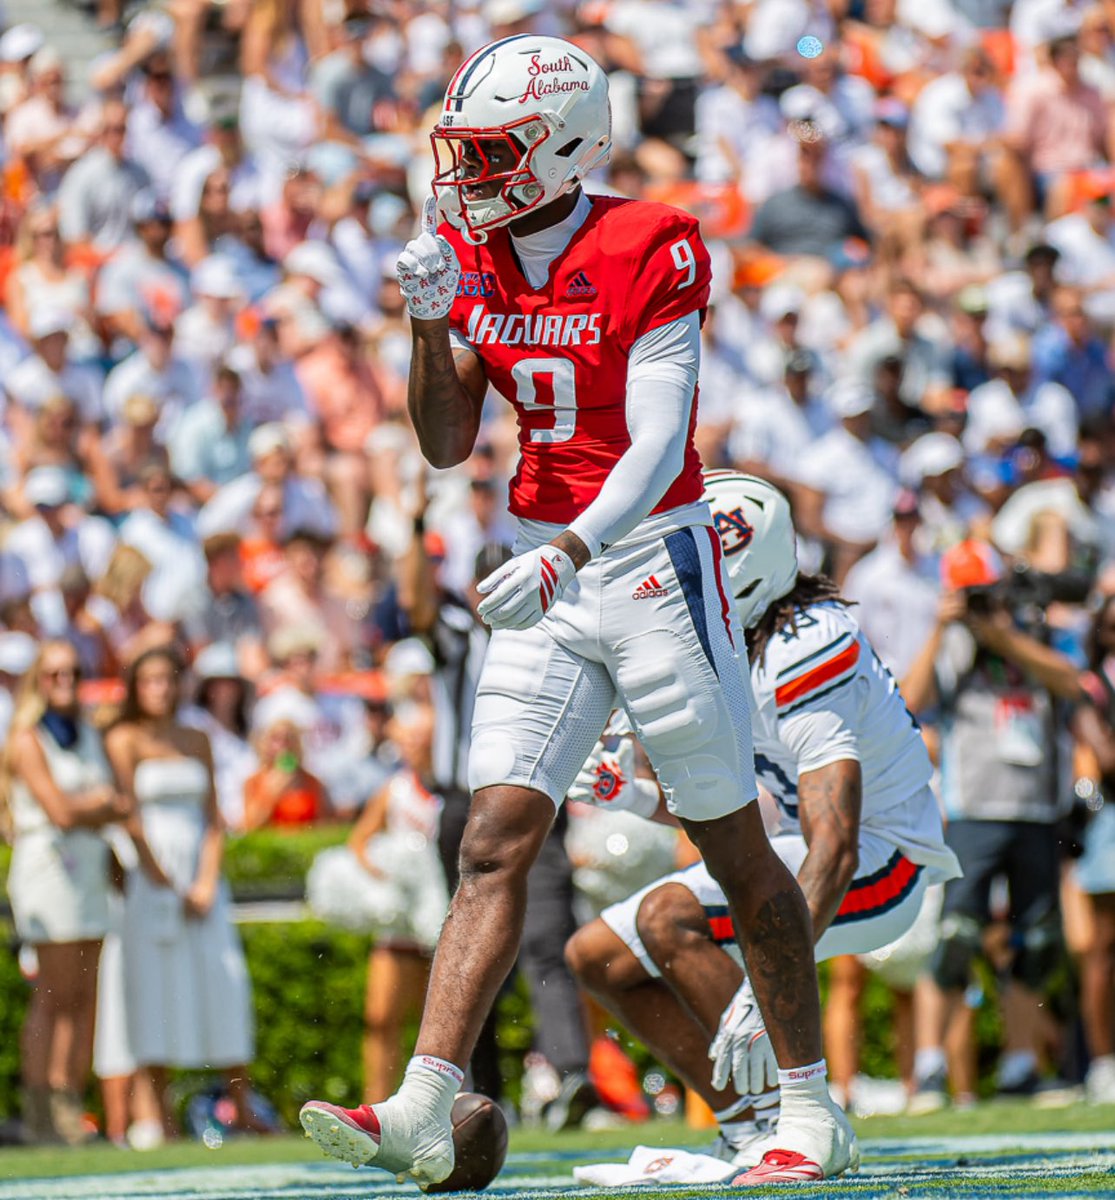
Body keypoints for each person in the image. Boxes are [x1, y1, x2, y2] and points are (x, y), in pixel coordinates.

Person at [299, 35, 856, 1187]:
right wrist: (424, 323)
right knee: (492, 836)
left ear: (563, 146)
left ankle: (807, 1105)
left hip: (647, 556)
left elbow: (659, 440)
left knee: (731, 840)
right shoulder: (473, 247)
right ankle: (421, 1103)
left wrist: (569, 549)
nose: (468, 178)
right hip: (540, 560)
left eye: (493, 153)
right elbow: (448, 443)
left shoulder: (648, 242)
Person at [564, 473, 960, 1168]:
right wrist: (629, 795)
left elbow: (834, 844)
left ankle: (798, 1120)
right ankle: (748, 1126)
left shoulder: (806, 642)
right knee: (597, 955)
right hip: (816, 845)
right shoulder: (735, 645)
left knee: (666, 918)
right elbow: (728, 809)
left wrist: (765, 982)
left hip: (883, 859)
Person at [900, 545, 1084, 1110]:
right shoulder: (954, 642)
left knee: (1038, 941)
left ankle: (1021, 1065)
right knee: (957, 936)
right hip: (975, 804)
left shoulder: (1035, 636)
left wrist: (1000, 631)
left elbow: (1070, 682)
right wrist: (944, 625)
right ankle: (929, 1070)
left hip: (1035, 807)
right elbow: (911, 699)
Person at [104, 646, 259, 1138]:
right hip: (151, 880)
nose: (160, 690)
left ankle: (242, 1103)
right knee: (155, 988)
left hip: (199, 877)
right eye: (148, 680)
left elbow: (214, 816)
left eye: (166, 679)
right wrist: (162, 880)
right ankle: (159, 1112)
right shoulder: (124, 739)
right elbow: (128, 816)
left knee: (223, 980)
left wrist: (206, 880)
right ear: (135, 686)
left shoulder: (198, 738)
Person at [3, 640, 130, 1144]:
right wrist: (102, 806)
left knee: (82, 995)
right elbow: (60, 811)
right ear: (39, 679)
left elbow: (112, 801)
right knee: (54, 995)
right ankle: (42, 1106)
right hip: (49, 870)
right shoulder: (27, 738)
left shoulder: (89, 735)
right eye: (54, 674)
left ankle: (68, 1102)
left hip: (87, 867)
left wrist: (97, 807)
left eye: (73, 672)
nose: (65, 682)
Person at [1073, 593, 1115, 1104]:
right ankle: (1103, 1062)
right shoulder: (1091, 686)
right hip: (1109, 819)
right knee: (1103, 946)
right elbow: (1104, 756)